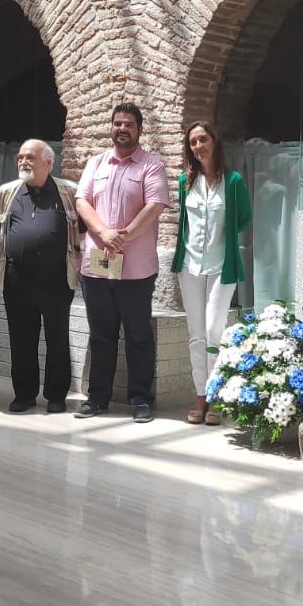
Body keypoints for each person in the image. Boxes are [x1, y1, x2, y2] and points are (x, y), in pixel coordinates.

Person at [73, 102, 169, 423]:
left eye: (129, 124)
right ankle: (97, 397)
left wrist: (122, 236)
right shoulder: (96, 163)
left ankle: (141, 398)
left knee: (138, 335)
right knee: (101, 334)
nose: (122, 128)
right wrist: (103, 232)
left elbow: (154, 205)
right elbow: (82, 201)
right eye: (117, 123)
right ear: (110, 127)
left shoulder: (151, 166)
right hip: (97, 266)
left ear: (140, 130)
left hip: (136, 270)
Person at [0, 139, 81, 414]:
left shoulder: (68, 191)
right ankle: (24, 394)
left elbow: (84, 230)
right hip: (17, 278)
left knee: (57, 339)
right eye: (20, 157)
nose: (23, 162)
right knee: (21, 340)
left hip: (56, 278)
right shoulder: (6, 192)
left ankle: (56, 396)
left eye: (29, 157)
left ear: (48, 163)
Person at [171, 120, 251, 425]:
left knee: (215, 330)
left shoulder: (232, 182)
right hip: (189, 265)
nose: (198, 146)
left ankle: (217, 394)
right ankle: (201, 395)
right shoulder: (184, 182)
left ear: (214, 142)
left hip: (221, 266)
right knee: (196, 334)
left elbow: (243, 218)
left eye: (202, 140)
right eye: (193, 142)